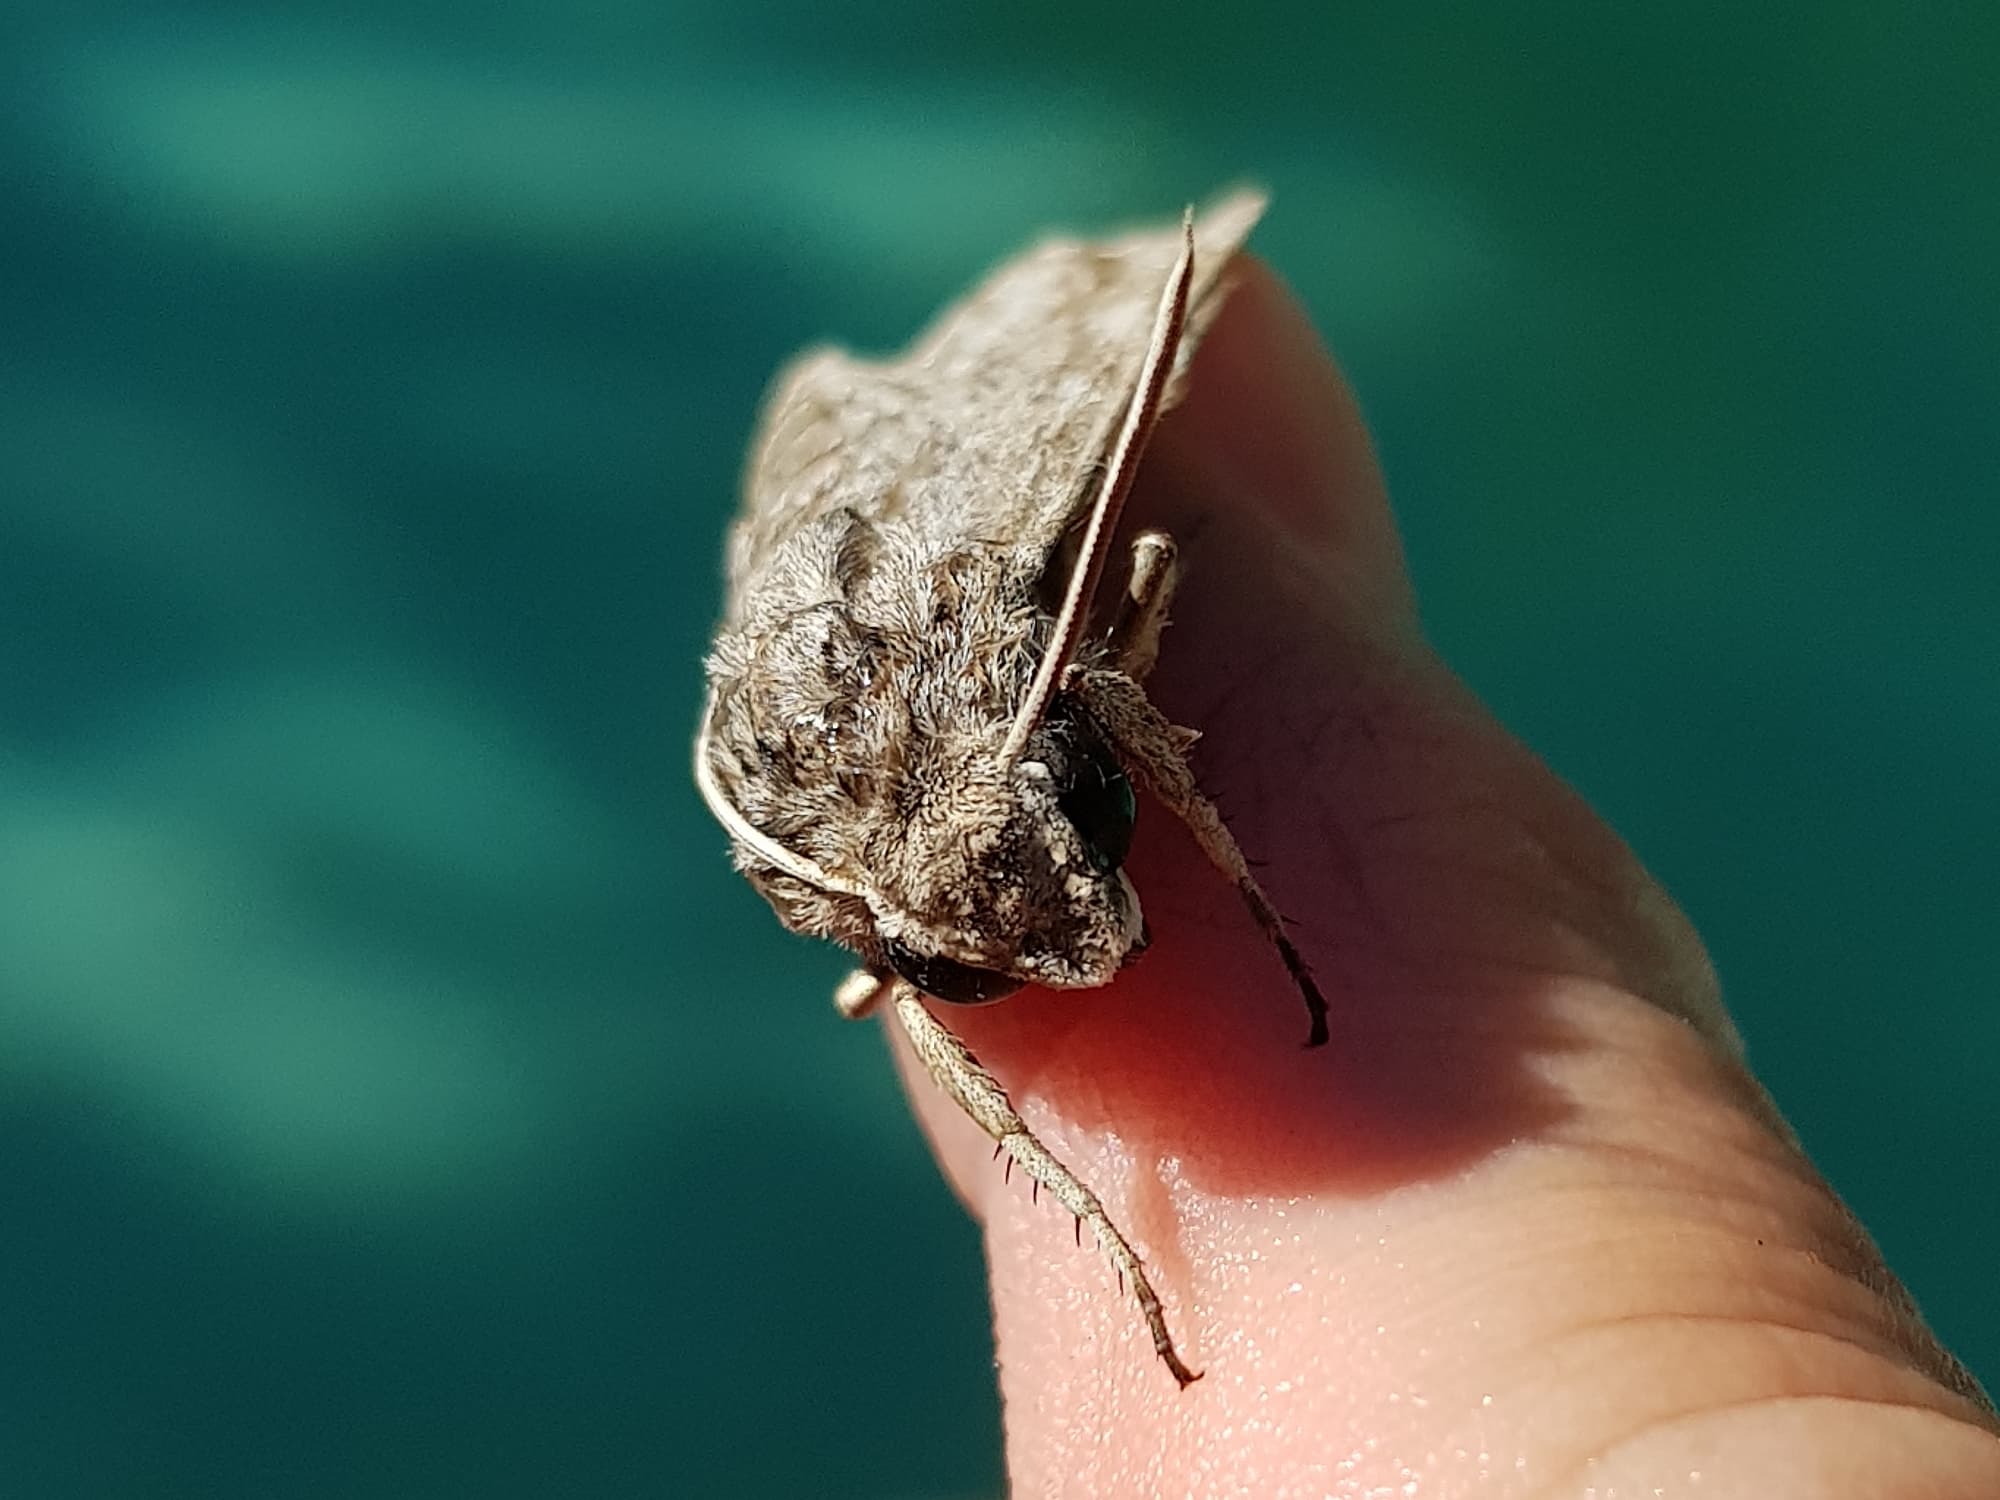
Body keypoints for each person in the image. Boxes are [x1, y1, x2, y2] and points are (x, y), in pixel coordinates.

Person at [891, 261, 2000, 1495]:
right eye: (947, 965)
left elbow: (1110, 646)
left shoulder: (1059, 712)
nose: (1105, 942)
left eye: (1091, 811)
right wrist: (1102, 1218)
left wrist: (1233, 884)